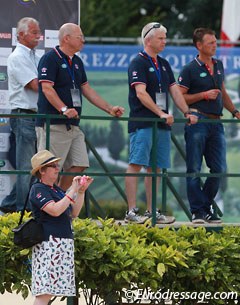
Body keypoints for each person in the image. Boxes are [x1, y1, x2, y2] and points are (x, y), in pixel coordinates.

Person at [36, 23, 124, 192]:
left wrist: (109, 108)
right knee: (49, 170)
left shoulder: (76, 61)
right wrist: (63, 109)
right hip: (53, 123)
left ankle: (59, 198)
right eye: (80, 37)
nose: (83, 40)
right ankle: (46, 208)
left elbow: (86, 89)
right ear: (66, 38)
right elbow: (47, 88)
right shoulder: (50, 58)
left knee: (80, 163)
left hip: (73, 125)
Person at [124, 22, 198, 224]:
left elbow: (174, 90)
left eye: (165, 38)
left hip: (161, 124)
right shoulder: (137, 63)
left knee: (155, 168)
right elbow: (141, 93)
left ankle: (151, 211)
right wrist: (160, 113)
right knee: (136, 164)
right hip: (143, 122)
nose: (165, 41)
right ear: (148, 40)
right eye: (161, 38)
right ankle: (130, 211)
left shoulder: (164, 64)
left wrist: (186, 111)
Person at [178, 28, 240, 224]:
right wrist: (203, 96)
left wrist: (235, 111)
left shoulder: (219, 65)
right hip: (198, 122)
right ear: (199, 45)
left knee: (219, 169)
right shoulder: (189, 69)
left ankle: (203, 207)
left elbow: (222, 91)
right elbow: (180, 95)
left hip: (216, 122)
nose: (215, 45)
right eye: (211, 43)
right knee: (194, 167)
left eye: (215, 42)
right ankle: (199, 211)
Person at [29, 149, 93, 305]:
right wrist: (72, 190)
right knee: (44, 292)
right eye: (52, 166)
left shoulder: (56, 190)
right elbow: (55, 210)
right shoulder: (38, 189)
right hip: (48, 245)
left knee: (50, 292)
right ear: (42, 171)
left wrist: (81, 191)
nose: (57, 168)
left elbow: (74, 213)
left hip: (62, 244)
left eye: (57, 165)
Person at [0, 17, 41, 213]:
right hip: (24, 115)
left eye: (39, 32)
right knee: (27, 167)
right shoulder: (18, 56)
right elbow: (35, 85)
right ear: (21, 35)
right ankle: (23, 212)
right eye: (34, 32)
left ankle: (8, 206)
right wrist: (52, 85)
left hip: (32, 115)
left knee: (31, 167)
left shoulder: (33, 55)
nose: (39, 36)